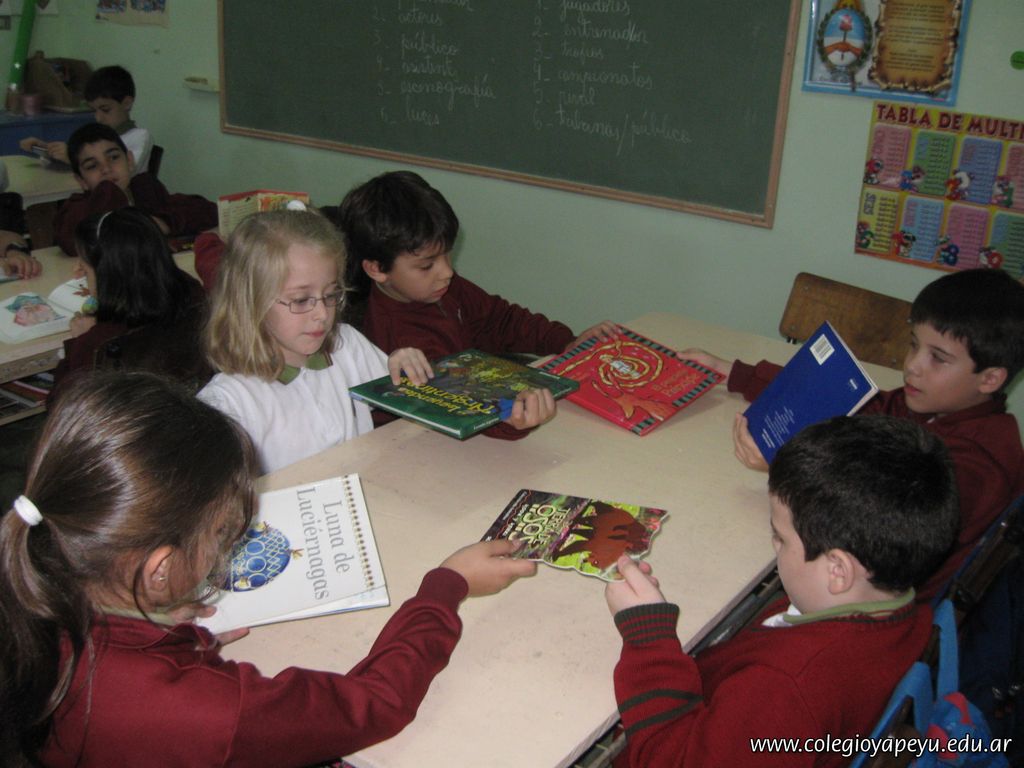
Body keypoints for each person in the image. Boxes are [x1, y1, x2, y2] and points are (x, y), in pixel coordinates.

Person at [0, 371, 536, 767]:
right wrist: (447, 585)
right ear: (158, 569)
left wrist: (162, 623)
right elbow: (374, 704)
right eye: (219, 536)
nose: (226, 549)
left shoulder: (37, 580)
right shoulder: (209, 710)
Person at [605, 415, 959, 768]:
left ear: (838, 571)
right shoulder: (899, 605)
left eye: (780, 537)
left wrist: (648, 638)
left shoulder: (784, 687)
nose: (773, 545)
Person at [687, 268, 1024, 601]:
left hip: (876, 604)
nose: (912, 365)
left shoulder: (978, 466)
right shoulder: (934, 407)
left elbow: (868, 525)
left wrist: (784, 469)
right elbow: (849, 402)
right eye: (914, 345)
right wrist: (736, 374)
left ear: (989, 379)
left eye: (938, 358)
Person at [198, 209, 445, 473]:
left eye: (330, 295)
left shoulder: (345, 345)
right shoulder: (228, 402)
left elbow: (415, 398)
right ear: (250, 301)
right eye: (301, 300)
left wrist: (404, 366)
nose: (323, 314)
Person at [335, 170, 617, 360]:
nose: (447, 272)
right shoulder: (393, 343)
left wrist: (566, 344)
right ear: (376, 269)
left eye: (447, 255)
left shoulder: (441, 288)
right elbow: (450, 408)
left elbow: (500, 320)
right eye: (427, 265)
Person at [51, 208, 210, 392]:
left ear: (107, 278)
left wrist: (78, 342)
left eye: (86, 271)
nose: (77, 272)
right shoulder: (192, 292)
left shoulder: (97, 343)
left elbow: (63, 401)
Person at [52, 123, 216, 256]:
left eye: (114, 157)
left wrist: (165, 223)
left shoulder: (144, 187)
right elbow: (71, 243)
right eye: (92, 166)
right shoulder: (77, 207)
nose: (106, 169)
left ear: (130, 161)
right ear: (81, 181)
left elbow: (208, 210)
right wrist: (109, 190)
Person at [19, 64, 153, 174]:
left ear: (126, 103)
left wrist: (75, 158)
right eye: (94, 111)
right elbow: (73, 167)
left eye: (105, 109)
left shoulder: (140, 136)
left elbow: (122, 172)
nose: (98, 118)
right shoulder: (95, 138)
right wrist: (47, 150)